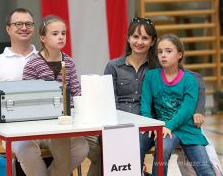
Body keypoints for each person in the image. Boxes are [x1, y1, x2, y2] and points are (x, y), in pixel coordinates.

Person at [87, 17, 220, 176]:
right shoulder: (113, 66)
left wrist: (199, 110)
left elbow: (195, 79)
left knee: (199, 151)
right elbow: (108, 100)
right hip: (121, 124)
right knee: (108, 152)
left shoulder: (159, 65)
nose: (139, 42)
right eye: (135, 37)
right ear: (128, 38)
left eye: (145, 38)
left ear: (152, 42)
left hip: (152, 125)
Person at [21, 15, 89, 176]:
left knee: (80, 146)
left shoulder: (69, 62)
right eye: (55, 33)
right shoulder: (32, 64)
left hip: (64, 123)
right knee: (62, 143)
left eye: (63, 33)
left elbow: (76, 93)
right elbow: (28, 98)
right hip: (40, 125)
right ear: (43, 38)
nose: (61, 37)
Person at [140, 34, 215, 176]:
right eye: (160, 52)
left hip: (187, 128)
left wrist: (170, 125)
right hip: (165, 129)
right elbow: (145, 104)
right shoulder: (150, 77)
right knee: (162, 150)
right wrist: (149, 123)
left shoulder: (190, 80)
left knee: (204, 169)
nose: (163, 55)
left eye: (168, 51)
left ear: (180, 54)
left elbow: (187, 109)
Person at [0, 8, 38, 152]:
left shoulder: (44, 59)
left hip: (46, 129)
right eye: (18, 24)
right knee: (26, 149)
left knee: (77, 147)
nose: (24, 28)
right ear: (8, 29)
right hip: (11, 131)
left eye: (28, 24)